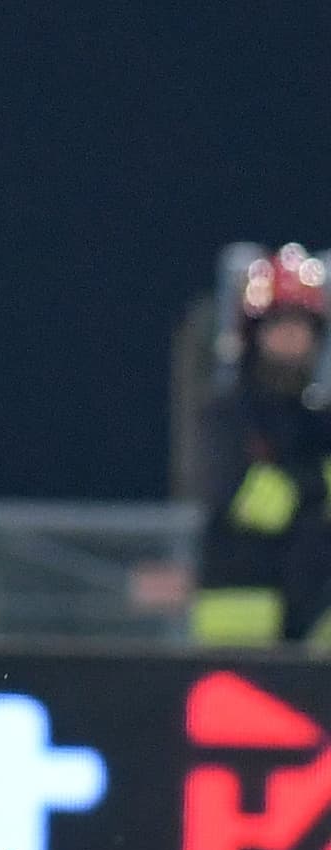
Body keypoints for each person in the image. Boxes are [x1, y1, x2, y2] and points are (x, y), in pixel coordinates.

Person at [194, 243, 331, 644]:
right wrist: (317, 487)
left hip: (316, 621)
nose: (291, 338)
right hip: (242, 619)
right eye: (279, 325)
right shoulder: (227, 417)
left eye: (301, 326)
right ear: (254, 336)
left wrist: (293, 487)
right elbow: (250, 501)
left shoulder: (320, 419)